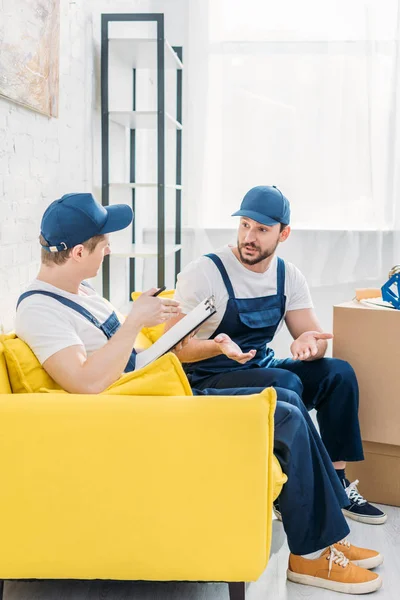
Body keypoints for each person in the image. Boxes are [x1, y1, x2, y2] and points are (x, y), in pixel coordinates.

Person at [16, 192, 383, 594]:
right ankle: (310, 557)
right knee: (285, 409)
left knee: (291, 398)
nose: (109, 248)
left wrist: (168, 333)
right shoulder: (39, 309)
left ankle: (327, 540)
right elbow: (85, 383)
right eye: (103, 241)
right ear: (77, 253)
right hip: (142, 414)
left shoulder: (81, 294)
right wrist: (135, 321)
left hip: (154, 392)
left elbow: (126, 359)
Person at [168, 185, 386, 527]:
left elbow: (314, 337)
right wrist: (217, 346)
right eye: (244, 225)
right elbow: (178, 351)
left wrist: (310, 347)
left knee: (338, 373)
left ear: (283, 234)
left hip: (261, 367)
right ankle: (299, 490)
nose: (249, 237)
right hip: (208, 376)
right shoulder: (206, 272)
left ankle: (338, 480)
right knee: (285, 381)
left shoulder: (288, 276)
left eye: (261, 229)